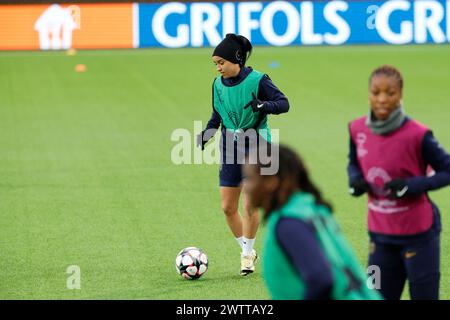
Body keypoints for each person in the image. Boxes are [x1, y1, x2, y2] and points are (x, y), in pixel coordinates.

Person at [348, 65, 450, 300]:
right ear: (369, 93)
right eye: (376, 92)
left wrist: (412, 186)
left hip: (419, 235)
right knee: (374, 296)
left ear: (400, 95)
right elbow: (353, 162)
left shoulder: (418, 134)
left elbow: (447, 170)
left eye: (390, 93)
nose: (382, 99)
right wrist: (355, 180)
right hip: (379, 236)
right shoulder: (356, 129)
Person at [197, 33, 289, 276]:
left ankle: (247, 255)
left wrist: (264, 105)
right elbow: (217, 116)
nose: (218, 68)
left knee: (250, 204)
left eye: (221, 62)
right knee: (228, 207)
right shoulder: (217, 85)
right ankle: (248, 249)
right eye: (215, 63)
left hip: (257, 144)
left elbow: (284, 103)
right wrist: (207, 133)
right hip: (229, 146)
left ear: (237, 59)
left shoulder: (259, 80)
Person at [243, 144, 381, 299]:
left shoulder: (289, 223)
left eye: (249, 178)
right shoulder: (308, 207)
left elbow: (321, 279)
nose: (244, 186)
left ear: (271, 182)